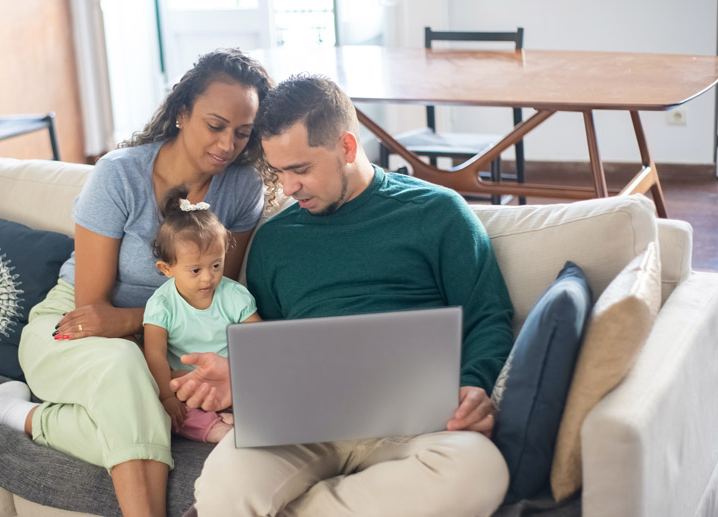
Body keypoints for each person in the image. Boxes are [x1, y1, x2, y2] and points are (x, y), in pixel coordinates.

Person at [0, 48, 274, 517]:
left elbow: (215, 302)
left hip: (156, 340)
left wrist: (144, 326)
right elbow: (93, 313)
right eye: (216, 125)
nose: (228, 144)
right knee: (130, 376)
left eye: (242, 132)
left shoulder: (243, 187)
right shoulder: (119, 175)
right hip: (68, 327)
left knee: (141, 411)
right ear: (182, 113)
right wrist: (140, 325)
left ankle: (10, 411)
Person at [170, 75, 516, 516]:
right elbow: (271, 343)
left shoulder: (438, 213)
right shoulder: (275, 240)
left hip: (418, 425)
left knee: (479, 470)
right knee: (223, 484)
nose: (288, 188)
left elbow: (488, 316)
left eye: (300, 169)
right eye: (278, 171)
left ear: (347, 148)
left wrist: (473, 386)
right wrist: (243, 379)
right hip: (305, 423)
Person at [144, 184, 261, 443]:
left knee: (262, 392)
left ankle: (238, 416)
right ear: (167, 269)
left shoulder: (234, 295)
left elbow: (258, 341)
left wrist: (244, 376)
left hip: (231, 380)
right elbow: (154, 355)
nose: (209, 277)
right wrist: (166, 396)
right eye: (195, 270)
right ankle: (217, 429)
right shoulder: (161, 305)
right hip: (189, 383)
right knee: (177, 408)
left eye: (216, 265)